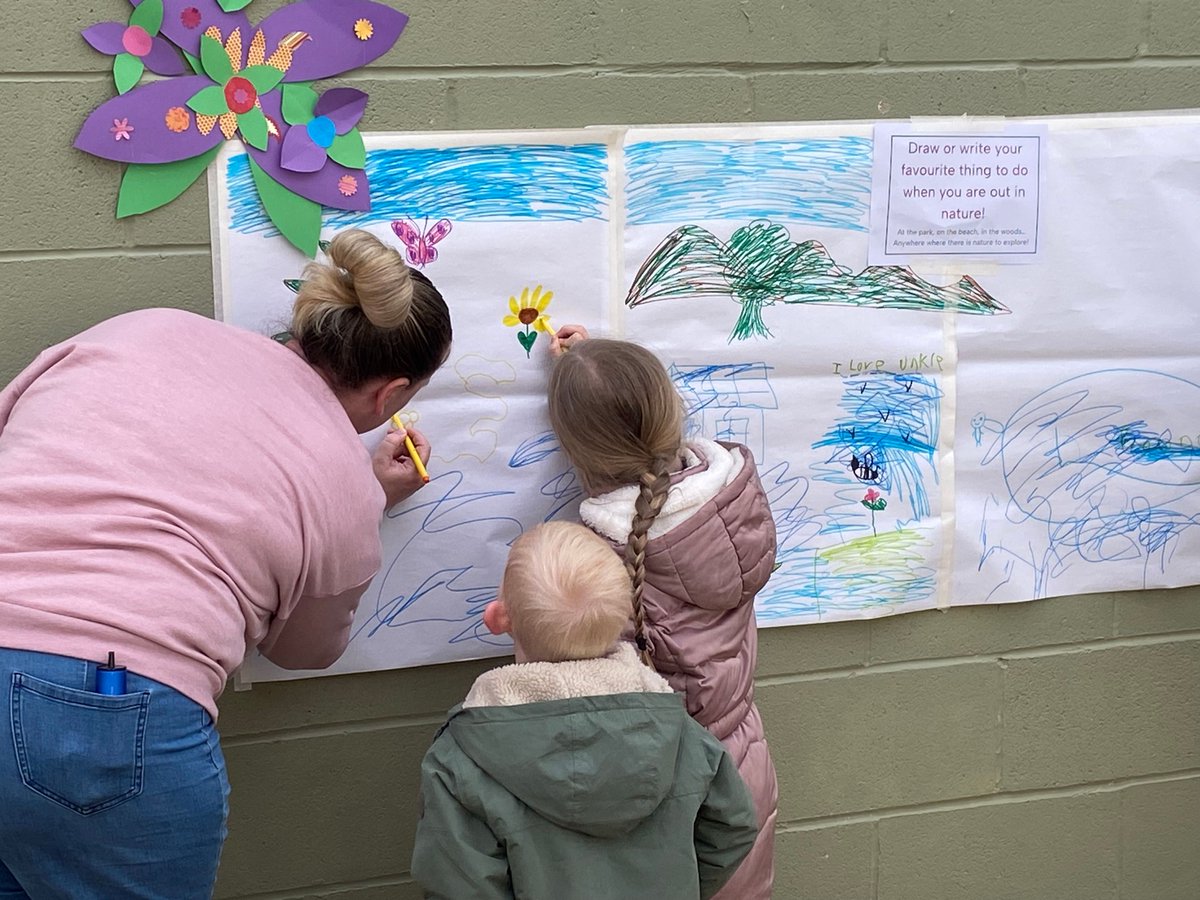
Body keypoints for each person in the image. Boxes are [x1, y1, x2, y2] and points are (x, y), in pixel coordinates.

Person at [0, 228, 451, 898]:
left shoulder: (145, 327)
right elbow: (303, 648)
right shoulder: (339, 477)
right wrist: (362, 502)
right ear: (390, 395)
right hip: (102, 707)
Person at [546, 328, 780, 899]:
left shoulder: (601, 558)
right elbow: (636, 421)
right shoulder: (733, 497)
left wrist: (583, 377)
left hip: (666, 784)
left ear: (574, 453)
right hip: (745, 762)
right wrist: (589, 361)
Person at [411, 521, 759, 900]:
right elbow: (734, 825)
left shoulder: (460, 759)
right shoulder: (680, 734)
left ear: (498, 618)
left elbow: (458, 887)